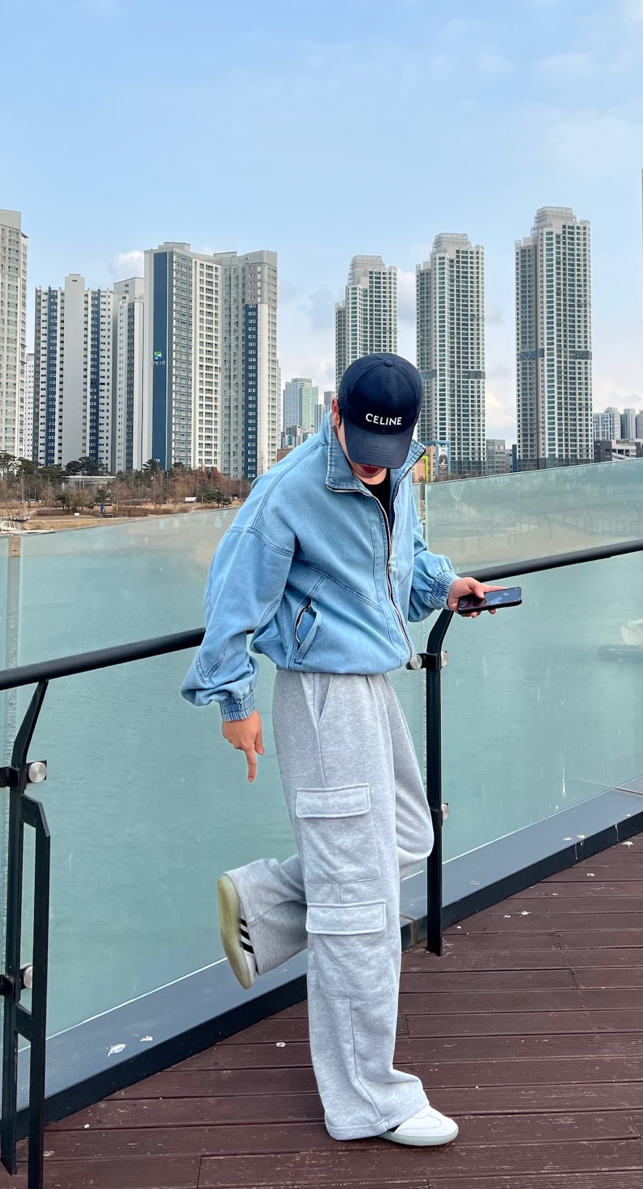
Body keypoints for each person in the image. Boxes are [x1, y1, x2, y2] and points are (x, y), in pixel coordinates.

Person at [181, 352, 494, 1148]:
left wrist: (446, 586)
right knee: (357, 906)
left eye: (388, 450)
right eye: (361, 444)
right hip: (320, 695)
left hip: (372, 687)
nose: (371, 463)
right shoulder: (288, 491)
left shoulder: (400, 471)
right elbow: (231, 595)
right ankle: (366, 1101)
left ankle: (264, 904)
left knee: (408, 835)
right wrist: (234, 702)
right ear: (333, 412)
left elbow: (402, 564)